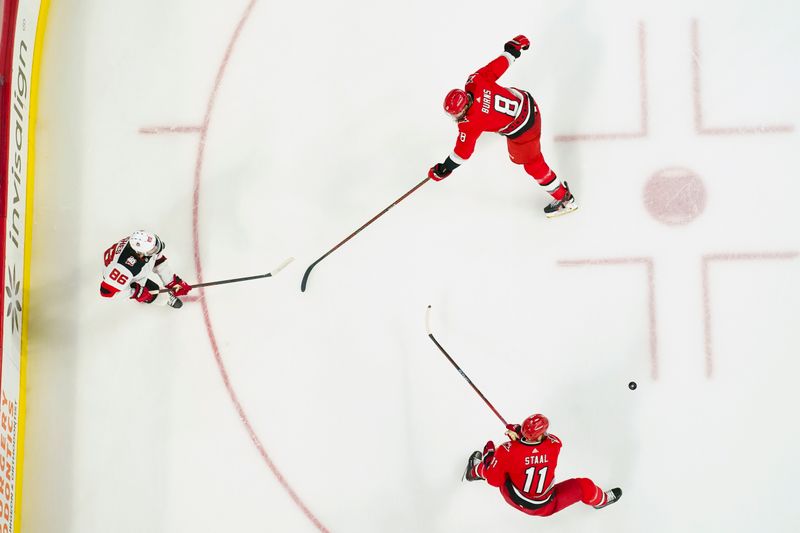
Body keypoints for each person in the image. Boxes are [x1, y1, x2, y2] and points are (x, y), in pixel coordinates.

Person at [429, 35, 577, 218]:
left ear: (464, 107)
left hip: (525, 128)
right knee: (519, 156)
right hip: (528, 102)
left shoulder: (470, 123)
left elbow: (463, 152)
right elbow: (496, 67)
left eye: (456, 114)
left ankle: (565, 198)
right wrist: (512, 50)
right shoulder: (474, 81)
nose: (455, 118)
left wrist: (445, 168)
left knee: (532, 164)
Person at [464, 413, 621, 516]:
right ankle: (602, 500)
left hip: (513, 496)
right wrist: (520, 433)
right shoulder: (554, 444)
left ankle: (473, 472)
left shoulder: (507, 449)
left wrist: (491, 455)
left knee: (496, 467)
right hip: (545, 505)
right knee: (585, 486)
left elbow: (494, 480)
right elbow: (537, 447)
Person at [100, 231, 192, 309]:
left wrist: (171, 281)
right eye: (153, 250)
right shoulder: (124, 268)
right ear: (140, 253)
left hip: (125, 268)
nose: (157, 250)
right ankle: (165, 298)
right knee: (157, 295)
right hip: (118, 279)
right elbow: (106, 292)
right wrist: (135, 292)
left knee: (150, 258)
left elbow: (157, 258)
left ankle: (159, 295)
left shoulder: (142, 242)